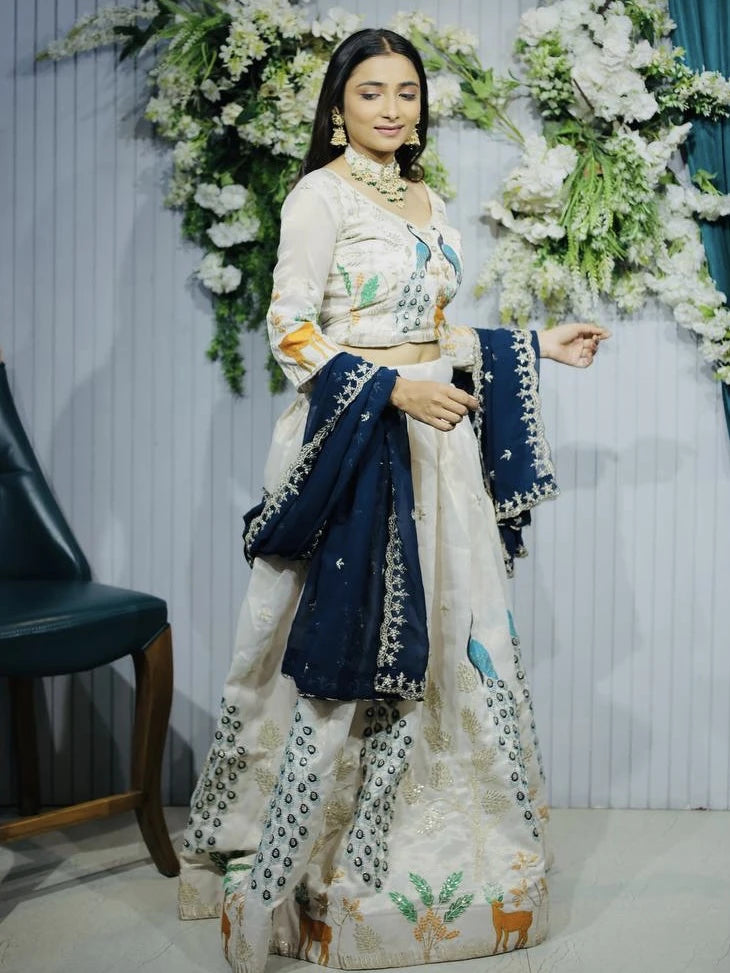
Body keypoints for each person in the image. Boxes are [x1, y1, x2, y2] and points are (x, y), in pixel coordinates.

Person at [177, 27, 609, 973]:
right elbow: (290, 331)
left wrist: (533, 347)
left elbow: (434, 332)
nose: (392, 107)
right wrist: (388, 390)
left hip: (434, 446)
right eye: (371, 91)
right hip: (352, 443)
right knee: (335, 640)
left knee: (450, 633)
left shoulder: (425, 198)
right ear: (337, 105)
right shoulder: (318, 195)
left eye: (407, 91)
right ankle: (297, 872)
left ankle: (429, 858)